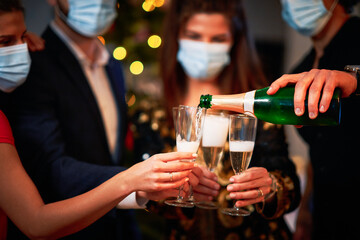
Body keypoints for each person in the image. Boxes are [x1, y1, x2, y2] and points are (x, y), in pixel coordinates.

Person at [4, 0, 207, 239]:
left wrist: (142, 189)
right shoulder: (31, 62)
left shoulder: (111, 64)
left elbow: (113, 154)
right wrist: (135, 179)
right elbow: (50, 168)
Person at [130, 0, 301, 239]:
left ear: (234, 42)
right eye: (194, 36)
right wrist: (168, 194)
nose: (205, 47)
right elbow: (143, 197)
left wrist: (271, 187)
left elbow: (290, 187)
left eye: (218, 39)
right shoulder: (151, 114)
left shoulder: (256, 108)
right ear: (177, 37)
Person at [267, 0, 360, 239]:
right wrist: (306, 212)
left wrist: (354, 80)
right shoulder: (304, 67)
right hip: (327, 215)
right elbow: (319, 150)